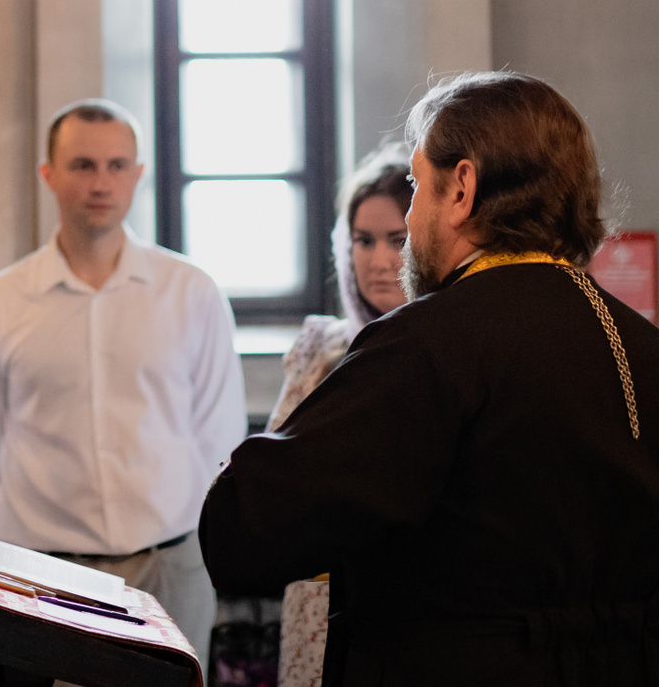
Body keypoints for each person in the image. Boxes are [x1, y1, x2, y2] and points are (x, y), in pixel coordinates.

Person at [201, 71, 659, 686]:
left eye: (417, 185)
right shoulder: (638, 342)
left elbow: (246, 528)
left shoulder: (427, 341)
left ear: (462, 189)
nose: (411, 216)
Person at [0, 99, 245, 657]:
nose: (101, 183)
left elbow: (219, 435)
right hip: (39, 572)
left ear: (139, 174)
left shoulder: (191, 291)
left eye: (117, 166)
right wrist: (39, 536)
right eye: (83, 165)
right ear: (49, 174)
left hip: (169, 565)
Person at [266, 147, 413, 687]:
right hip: (317, 597)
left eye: (398, 240)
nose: (379, 260)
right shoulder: (321, 346)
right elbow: (272, 473)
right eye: (364, 240)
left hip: (408, 604)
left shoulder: (450, 353)